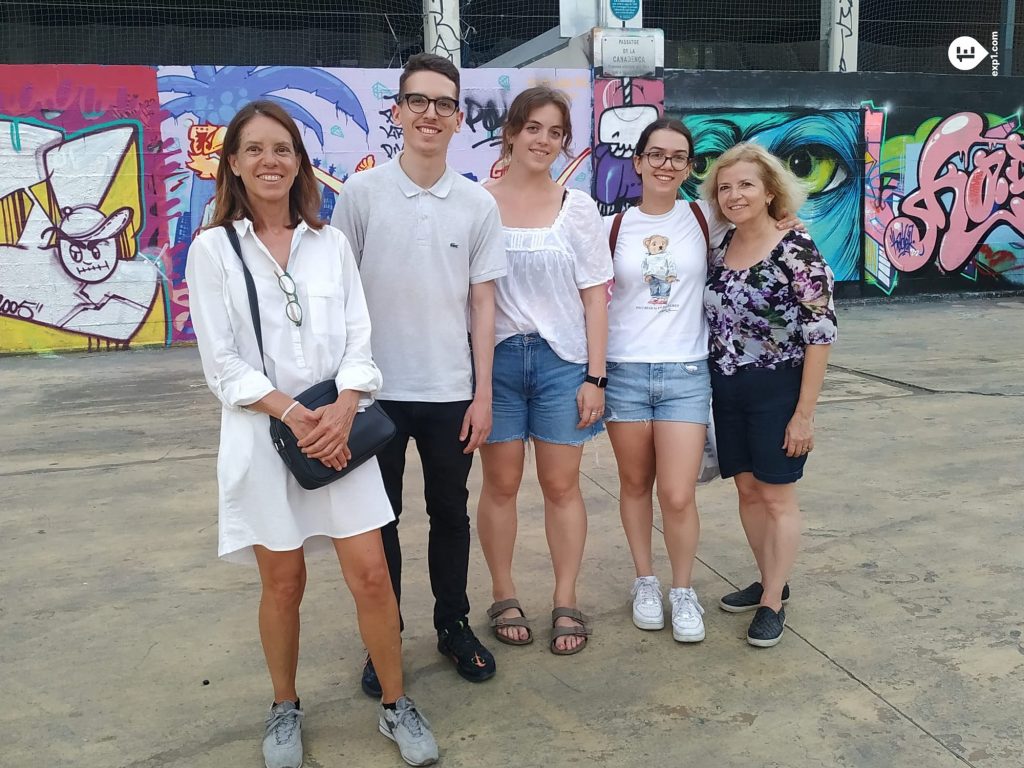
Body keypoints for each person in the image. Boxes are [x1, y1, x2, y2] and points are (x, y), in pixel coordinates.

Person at [186, 101, 437, 767]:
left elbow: (360, 337)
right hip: (267, 438)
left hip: (340, 433)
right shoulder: (212, 250)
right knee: (285, 582)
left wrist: (345, 405)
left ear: (300, 161)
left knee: (372, 577)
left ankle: (394, 703)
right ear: (234, 164)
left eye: (283, 149)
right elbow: (223, 365)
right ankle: (283, 706)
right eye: (255, 149)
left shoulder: (331, 245)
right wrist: (298, 416)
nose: (271, 161)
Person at [331, 54, 506, 691]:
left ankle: (453, 625)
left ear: (459, 118)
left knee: (449, 515)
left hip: (449, 391)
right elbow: (338, 292)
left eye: (443, 104)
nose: (430, 114)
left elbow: (483, 304)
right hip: (374, 393)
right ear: (398, 111)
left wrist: (483, 393)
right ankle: (386, 637)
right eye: (418, 101)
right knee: (381, 522)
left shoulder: (476, 204)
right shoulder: (362, 194)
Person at [604, 119, 799, 644]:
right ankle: (645, 581)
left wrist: (788, 221)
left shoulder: (702, 216)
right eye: (657, 154)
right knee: (634, 486)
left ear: (690, 168)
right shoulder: (614, 227)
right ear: (638, 161)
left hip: (687, 372)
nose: (667, 164)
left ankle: (683, 590)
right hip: (624, 371)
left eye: (679, 157)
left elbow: (754, 206)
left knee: (677, 492)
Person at [475, 86, 612, 655]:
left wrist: (595, 377)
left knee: (561, 486)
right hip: (498, 363)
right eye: (534, 128)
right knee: (500, 484)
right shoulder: (477, 202)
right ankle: (503, 592)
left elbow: (596, 296)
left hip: (563, 365)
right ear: (511, 132)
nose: (544, 140)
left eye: (555, 132)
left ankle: (565, 598)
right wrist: (479, 386)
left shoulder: (576, 207)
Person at [700, 141, 838, 648]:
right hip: (726, 389)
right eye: (726, 186)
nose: (735, 194)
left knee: (778, 496)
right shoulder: (719, 247)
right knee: (747, 490)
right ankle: (768, 577)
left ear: (769, 191)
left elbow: (820, 331)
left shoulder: (794, 246)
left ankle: (774, 600)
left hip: (779, 390)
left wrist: (804, 414)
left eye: (746, 185)